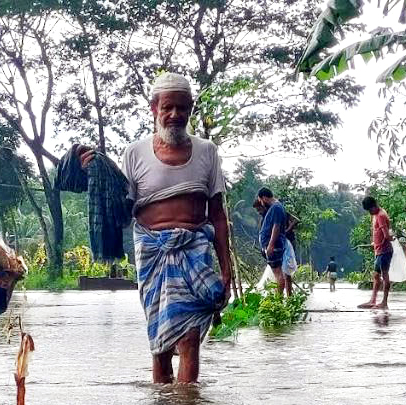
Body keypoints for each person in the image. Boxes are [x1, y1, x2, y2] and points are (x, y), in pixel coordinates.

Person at [81, 73, 231, 384]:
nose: (175, 115)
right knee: (161, 344)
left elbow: (217, 214)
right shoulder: (135, 152)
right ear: (154, 109)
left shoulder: (207, 152)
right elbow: (122, 211)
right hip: (150, 252)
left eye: (182, 108)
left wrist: (226, 269)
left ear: (191, 109)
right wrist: (95, 171)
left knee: (189, 338)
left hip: (195, 251)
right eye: (168, 108)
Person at [256, 187, 292, 297]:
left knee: (278, 274)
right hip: (274, 244)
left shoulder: (276, 207)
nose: (262, 204)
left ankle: (278, 300)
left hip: (274, 245)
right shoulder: (277, 207)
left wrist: (271, 244)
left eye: (261, 201)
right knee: (278, 273)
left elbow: (276, 226)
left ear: (264, 198)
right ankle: (278, 299)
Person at [359, 195, 392, 309]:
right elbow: (378, 232)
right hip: (379, 251)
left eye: (370, 210)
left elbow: (386, 235)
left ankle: (384, 302)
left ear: (374, 206)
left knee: (384, 275)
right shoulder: (376, 215)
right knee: (376, 275)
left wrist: (384, 241)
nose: (369, 212)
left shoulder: (381, 215)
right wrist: (375, 243)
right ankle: (373, 300)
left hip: (384, 251)